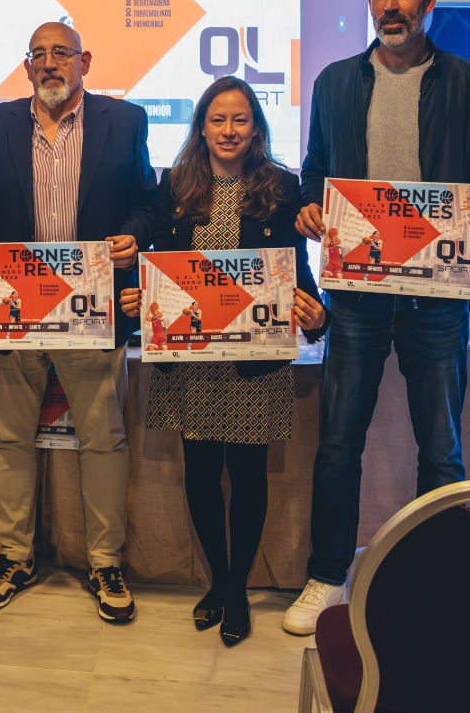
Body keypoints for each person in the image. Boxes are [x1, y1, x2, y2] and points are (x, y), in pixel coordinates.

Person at [286, 0, 470, 635]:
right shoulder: (334, 82)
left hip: (437, 296)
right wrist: (307, 207)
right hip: (355, 296)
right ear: (369, 1)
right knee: (337, 443)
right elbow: (316, 172)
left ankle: (436, 577)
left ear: (430, 1)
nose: (393, 5)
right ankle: (326, 576)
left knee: (441, 447)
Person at [0, 20, 157, 623]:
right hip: (14, 312)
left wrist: (133, 238)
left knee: (102, 438)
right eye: (37, 54)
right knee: (8, 437)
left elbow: (149, 202)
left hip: (91, 313)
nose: (48, 63)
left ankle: (105, 562)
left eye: (60, 52)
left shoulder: (126, 122)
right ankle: (16, 556)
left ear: (84, 59)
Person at [118, 76, 328, 646]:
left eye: (239, 120)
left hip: (255, 362)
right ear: (201, 127)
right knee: (203, 475)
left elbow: (297, 274)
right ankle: (219, 580)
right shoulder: (176, 185)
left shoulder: (282, 187)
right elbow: (161, 266)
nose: (228, 130)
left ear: (256, 127)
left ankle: (236, 588)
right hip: (191, 361)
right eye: (217, 120)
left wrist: (318, 314)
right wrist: (140, 295)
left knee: (251, 476)